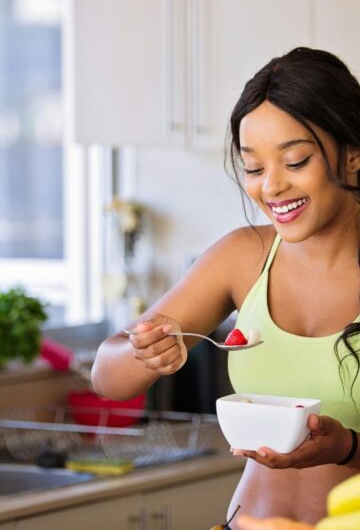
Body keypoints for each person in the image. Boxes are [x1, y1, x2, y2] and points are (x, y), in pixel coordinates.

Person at [91, 47, 360, 526]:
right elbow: (107, 377)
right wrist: (141, 352)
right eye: (253, 168)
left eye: (295, 161)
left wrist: (347, 447)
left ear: (355, 155)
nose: (270, 188)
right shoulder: (244, 256)